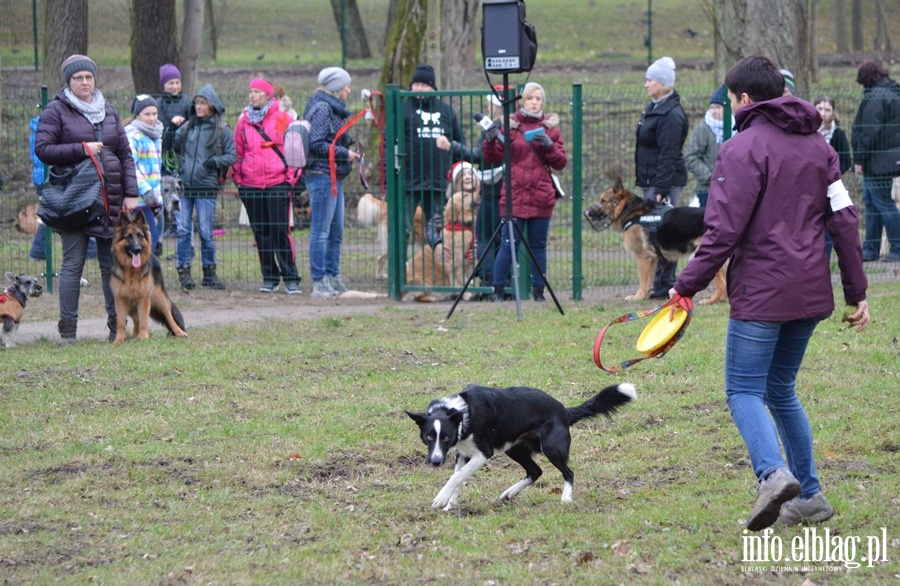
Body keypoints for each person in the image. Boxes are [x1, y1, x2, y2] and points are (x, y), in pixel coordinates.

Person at [670, 55, 870, 531]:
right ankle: (812, 496)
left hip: (762, 293)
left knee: (743, 389)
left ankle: (773, 474)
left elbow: (721, 233)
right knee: (780, 389)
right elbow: (844, 219)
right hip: (809, 294)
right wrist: (856, 291)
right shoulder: (821, 148)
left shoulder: (740, 151)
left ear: (742, 100)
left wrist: (684, 286)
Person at [34, 54, 139, 344]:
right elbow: (43, 149)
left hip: (111, 200)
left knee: (111, 266)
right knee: (72, 264)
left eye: (88, 77)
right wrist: (82, 148)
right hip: (74, 199)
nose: (84, 82)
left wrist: (131, 193)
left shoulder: (109, 110)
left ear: (95, 79)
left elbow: (125, 155)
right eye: (78, 78)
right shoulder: (56, 111)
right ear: (69, 82)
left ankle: (115, 328)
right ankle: (68, 331)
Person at [483, 82, 566, 302]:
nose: (535, 102)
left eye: (539, 99)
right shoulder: (509, 126)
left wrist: (549, 145)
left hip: (541, 196)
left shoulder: (550, 129)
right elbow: (492, 157)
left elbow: (560, 162)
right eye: (531, 98)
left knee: (538, 245)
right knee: (508, 244)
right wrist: (490, 141)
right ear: (522, 101)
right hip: (514, 195)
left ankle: (539, 291)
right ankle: (498, 290)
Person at [233, 78, 303, 294]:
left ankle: (290, 277)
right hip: (251, 184)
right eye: (250, 91)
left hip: (277, 182)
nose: (252, 95)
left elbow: (294, 150)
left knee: (280, 231)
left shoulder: (283, 119)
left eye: (257, 91)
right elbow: (238, 153)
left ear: (268, 95)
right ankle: (269, 277)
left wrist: (290, 179)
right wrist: (240, 180)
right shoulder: (243, 122)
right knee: (261, 232)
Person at [435, 87, 506, 293]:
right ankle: (498, 282)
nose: (487, 108)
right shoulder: (508, 127)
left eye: (490, 105)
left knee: (486, 239)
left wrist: (451, 147)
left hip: (493, 193)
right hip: (498, 193)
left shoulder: (497, 129)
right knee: (498, 239)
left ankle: (489, 283)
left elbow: (479, 156)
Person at [304, 67, 361, 299]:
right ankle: (319, 282)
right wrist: (343, 153)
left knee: (335, 231)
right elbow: (316, 143)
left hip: (333, 176)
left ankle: (333, 274)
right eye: (346, 85)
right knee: (321, 231)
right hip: (321, 175)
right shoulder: (322, 109)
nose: (349, 89)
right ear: (337, 88)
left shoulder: (332, 109)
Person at [172, 84, 235, 290]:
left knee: (206, 231)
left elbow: (232, 155)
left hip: (206, 187)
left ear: (212, 106)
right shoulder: (188, 126)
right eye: (197, 103)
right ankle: (184, 270)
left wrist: (214, 163)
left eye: (203, 103)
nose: (199, 107)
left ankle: (209, 271)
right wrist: (174, 129)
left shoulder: (222, 130)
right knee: (182, 230)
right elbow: (173, 144)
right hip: (184, 186)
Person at [635, 56, 689, 298]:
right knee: (653, 231)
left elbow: (669, 152)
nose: (646, 84)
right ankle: (658, 283)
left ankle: (665, 282)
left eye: (650, 80)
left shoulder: (671, 115)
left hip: (662, 182)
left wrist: (662, 187)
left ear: (662, 83)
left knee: (665, 231)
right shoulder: (656, 107)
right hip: (650, 180)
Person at [403, 64, 464, 260]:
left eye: (423, 85)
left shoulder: (446, 111)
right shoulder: (402, 108)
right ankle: (401, 274)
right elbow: (390, 142)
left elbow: (459, 143)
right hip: (408, 181)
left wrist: (455, 173)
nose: (418, 88)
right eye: (415, 84)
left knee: (438, 229)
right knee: (403, 229)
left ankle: (440, 271)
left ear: (433, 88)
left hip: (439, 181)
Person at [850, 60, 900, 262]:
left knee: (882, 203)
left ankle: (896, 247)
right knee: (872, 202)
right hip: (885, 159)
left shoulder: (876, 97)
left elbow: (869, 131)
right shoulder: (891, 93)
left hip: (876, 161)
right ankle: (870, 249)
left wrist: (859, 158)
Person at [816, 95, 854, 259]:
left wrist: (832, 175)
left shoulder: (838, 134)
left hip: (830, 186)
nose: (823, 113)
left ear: (833, 112)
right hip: (810, 186)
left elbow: (846, 160)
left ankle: (826, 257)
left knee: (829, 224)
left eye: (827, 109)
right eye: (820, 108)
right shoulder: (808, 131)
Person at [125, 94, 164, 252]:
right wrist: (146, 190)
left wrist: (157, 196)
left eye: (154, 114)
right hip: (137, 199)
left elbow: (155, 170)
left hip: (151, 199)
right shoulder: (133, 136)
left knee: (152, 238)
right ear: (137, 115)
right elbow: (130, 167)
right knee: (148, 238)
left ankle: (144, 273)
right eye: (147, 114)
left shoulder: (156, 135)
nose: (152, 118)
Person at [157, 64, 191, 240]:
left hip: (180, 156)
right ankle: (164, 227)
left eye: (177, 82)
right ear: (163, 84)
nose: (175, 87)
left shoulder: (187, 102)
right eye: (171, 83)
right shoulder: (159, 104)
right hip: (163, 155)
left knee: (178, 193)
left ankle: (181, 228)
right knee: (163, 192)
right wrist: (171, 124)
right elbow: (160, 127)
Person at [684, 87, 727, 208]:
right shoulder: (703, 129)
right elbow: (690, 157)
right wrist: (709, 176)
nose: (714, 111)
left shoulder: (735, 127)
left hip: (731, 188)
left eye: (718, 107)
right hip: (707, 190)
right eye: (712, 107)